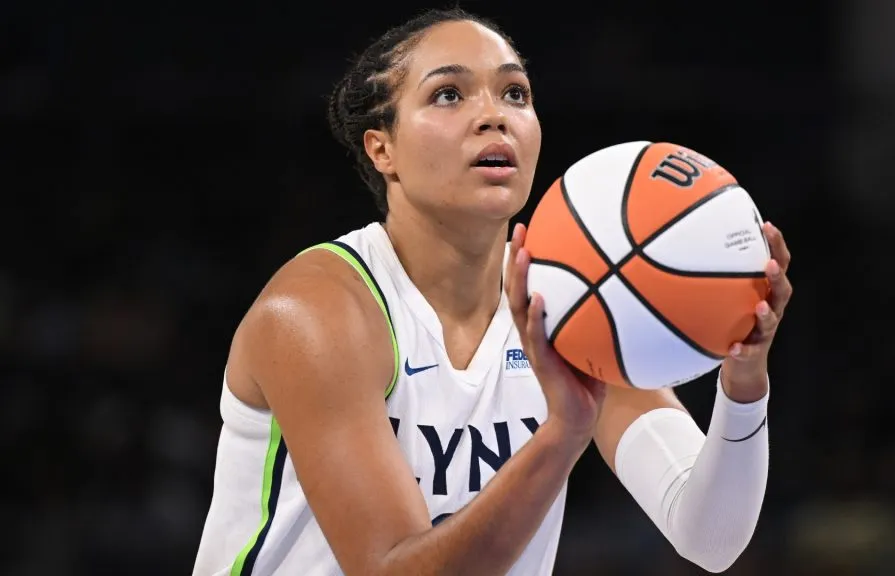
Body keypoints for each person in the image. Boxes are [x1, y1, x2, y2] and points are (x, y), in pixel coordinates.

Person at [192, 8, 794, 576]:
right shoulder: (319, 311)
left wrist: (743, 386)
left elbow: (709, 539)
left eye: (514, 93)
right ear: (383, 148)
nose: (493, 114)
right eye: (448, 94)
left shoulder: (571, 301)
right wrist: (562, 433)